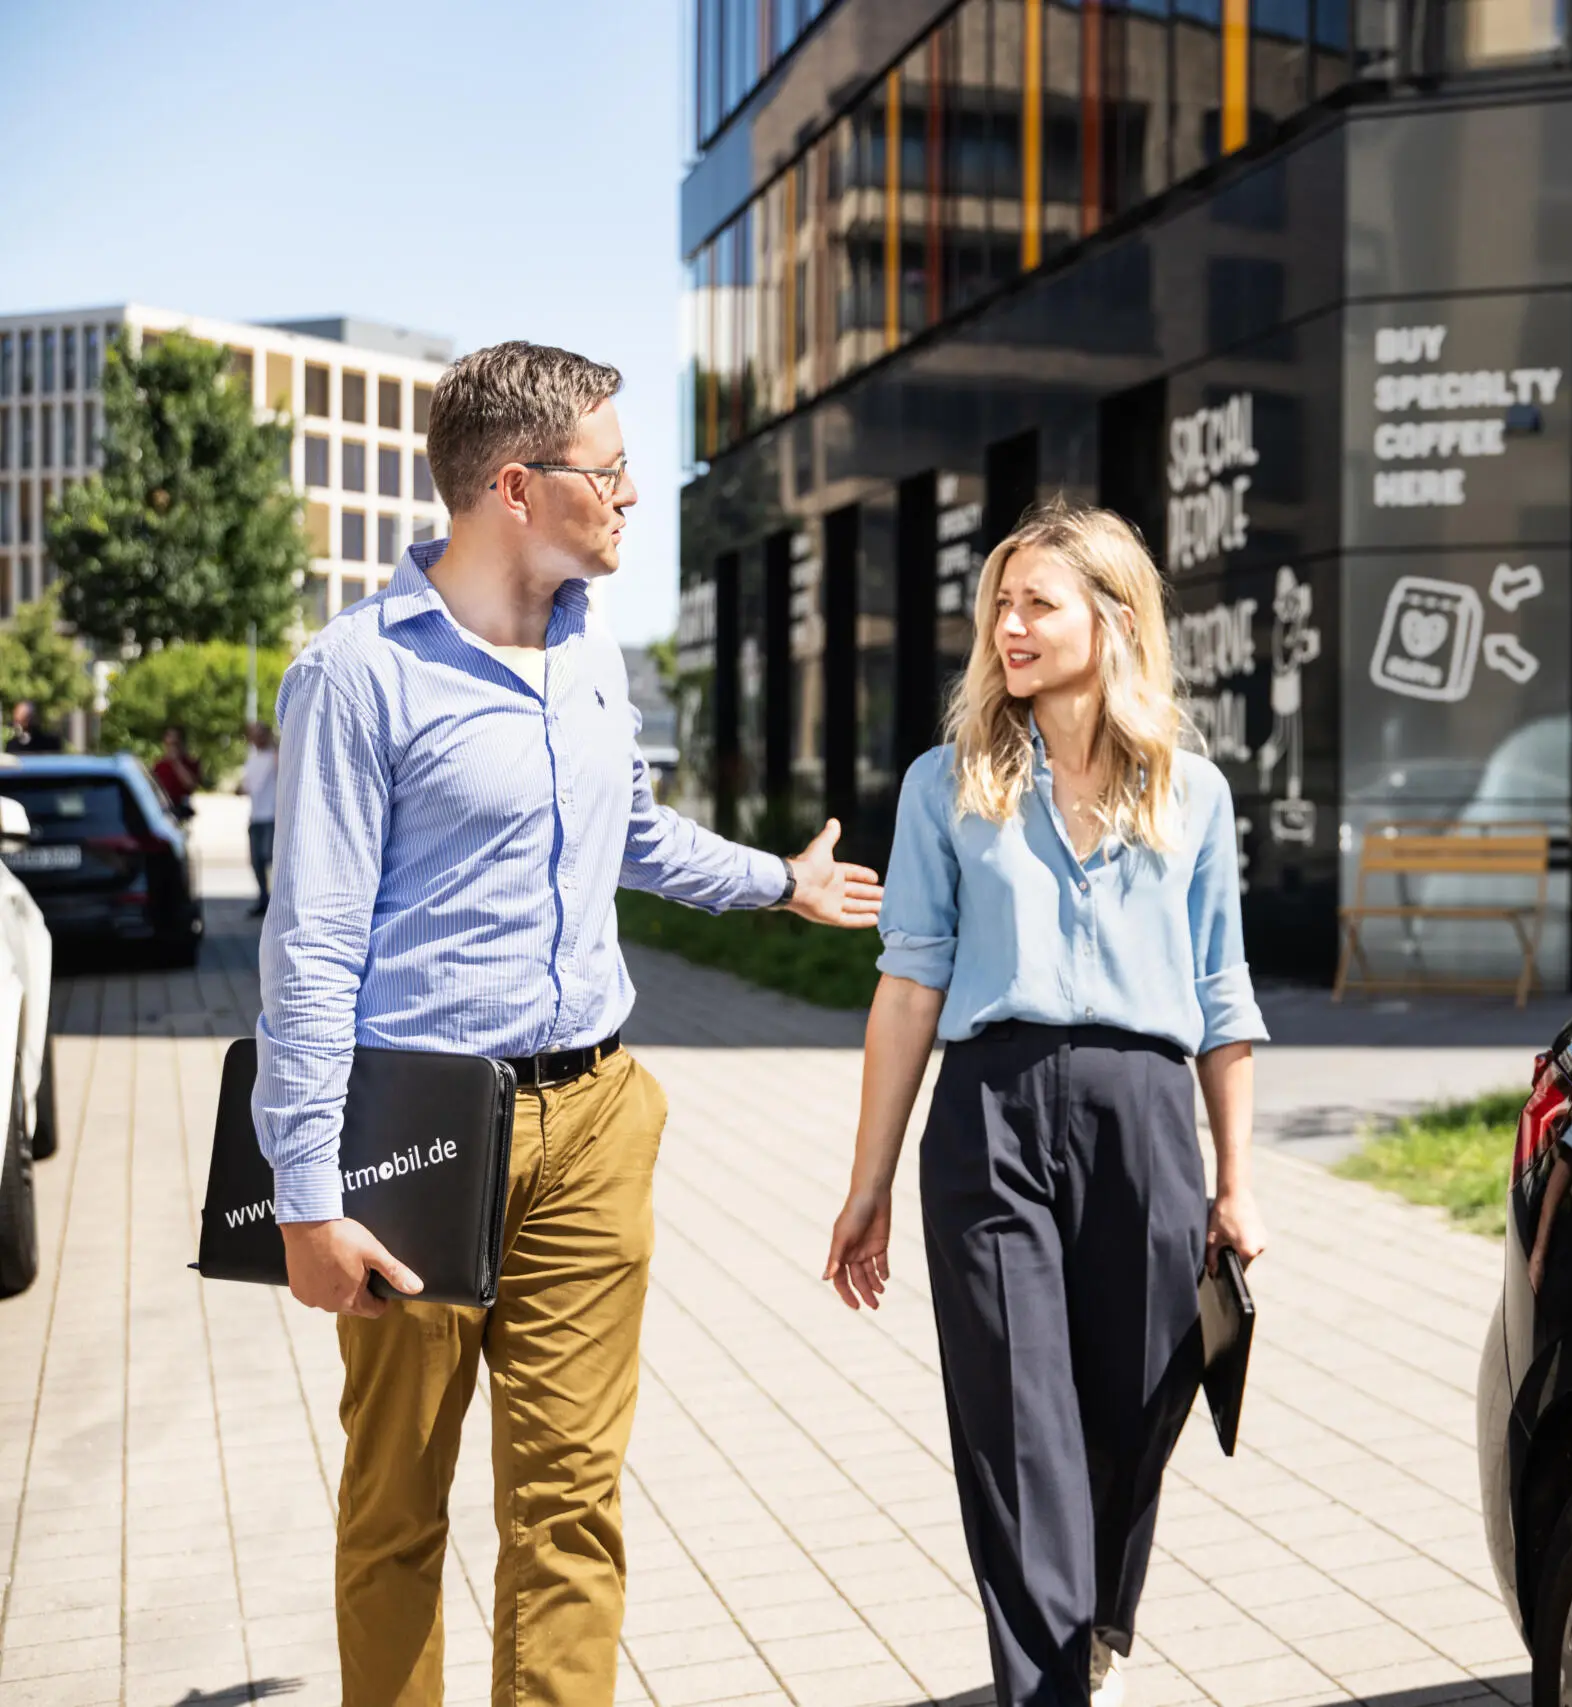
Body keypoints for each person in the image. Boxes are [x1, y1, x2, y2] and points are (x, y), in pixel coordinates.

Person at [252, 341, 883, 1707]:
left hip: (596, 1119)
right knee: (398, 1503)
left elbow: (633, 836)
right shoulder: (357, 675)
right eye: (609, 471)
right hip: (415, 1128)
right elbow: (308, 946)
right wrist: (303, 1191)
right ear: (518, 487)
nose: (634, 494)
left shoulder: (592, 653)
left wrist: (781, 881)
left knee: (570, 1505)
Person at [824, 501, 1267, 1707]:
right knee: (1016, 1423)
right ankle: (1047, 1684)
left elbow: (1222, 996)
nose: (1010, 628)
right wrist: (867, 1185)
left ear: (1112, 620)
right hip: (990, 1116)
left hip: (1145, 1121)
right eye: (1000, 608)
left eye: (1039, 605)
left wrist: (1236, 1182)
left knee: (1142, 1397)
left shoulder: (1194, 793)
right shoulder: (946, 786)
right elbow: (909, 988)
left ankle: (1094, 1626)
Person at [241, 720, 278, 915]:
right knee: (257, 861)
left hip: (271, 815)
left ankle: (277, 899)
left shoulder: (274, 757)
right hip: (256, 815)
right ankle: (263, 898)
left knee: (270, 858)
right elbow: (247, 785)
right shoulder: (252, 759)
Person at [153, 725, 201, 818]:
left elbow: (191, 784)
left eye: (175, 744)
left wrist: (176, 763)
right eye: (169, 744)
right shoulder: (159, 765)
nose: (172, 748)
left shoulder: (191, 763)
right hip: (163, 810)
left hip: (181, 810)